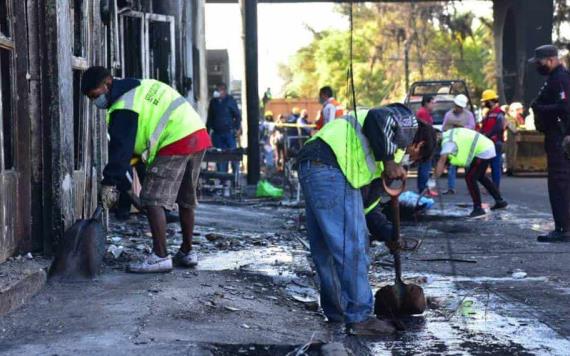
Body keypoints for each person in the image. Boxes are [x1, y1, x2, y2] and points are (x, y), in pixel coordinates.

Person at [296, 104, 430, 335]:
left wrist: (390, 234)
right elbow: (380, 116)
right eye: (416, 157)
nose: (409, 160)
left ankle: (338, 312)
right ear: (419, 145)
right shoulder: (407, 127)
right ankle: (359, 316)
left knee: (326, 248)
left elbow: (367, 207)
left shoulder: (383, 148)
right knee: (353, 247)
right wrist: (389, 160)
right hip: (331, 166)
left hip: (314, 164)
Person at [81, 66, 211, 272]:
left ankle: (160, 256)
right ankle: (187, 252)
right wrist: (123, 181)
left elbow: (121, 152)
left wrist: (109, 182)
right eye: (90, 98)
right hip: (196, 133)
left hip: (175, 139)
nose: (95, 102)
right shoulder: (139, 86)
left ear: (107, 84)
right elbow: (132, 152)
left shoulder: (123, 107)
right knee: (185, 198)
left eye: (95, 96)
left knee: (151, 199)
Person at [529, 45, 570, 242]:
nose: (538, 65)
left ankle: (563, 229)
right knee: (560, 183)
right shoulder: (554, 78)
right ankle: (562, 226)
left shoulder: (561, 78)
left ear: (551, 60)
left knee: (559, 183)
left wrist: (540, 108)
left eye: (540, 62)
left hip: (559, 137)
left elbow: (565, 107)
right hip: (555, 136)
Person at [433, 128, 508, 217]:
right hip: (486, 146)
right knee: (480, 176)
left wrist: (432, 181)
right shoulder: (449, 133)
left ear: (437, 136)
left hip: (483, 150)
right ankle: (500, 201)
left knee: (470, 177)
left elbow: (442, 161)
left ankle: (478, 208)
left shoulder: (447, 142)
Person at [441, 94, 476, 194]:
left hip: (465, 144)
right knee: (452, 166)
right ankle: (451, 188)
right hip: (453, 143)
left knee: (467, 167)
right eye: (457, 106)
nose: (458, 108)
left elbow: (472, 127)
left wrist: (462, 127)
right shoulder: (448, 115)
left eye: (460, 107)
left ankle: (472, 187)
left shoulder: (469, 115)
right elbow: (444, 128)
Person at [206, 83, 241, 173]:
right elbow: (210, 118)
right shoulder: (213, 102)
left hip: (229, 133)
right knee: (220, 158)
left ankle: (235, 179)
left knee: (233, 156)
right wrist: (206, 133)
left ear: (224, 91)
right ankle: (223, 179)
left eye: (219, 90)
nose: (217, 92)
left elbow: (237, 115)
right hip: (217, 134)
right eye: (217, 90)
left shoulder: (230, 100)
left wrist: (237, 128)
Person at [478, 90, 505, 188]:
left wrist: (487, 135)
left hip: (495, 142)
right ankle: (491, 186)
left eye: (485, 101)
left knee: (495, 165)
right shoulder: (490, 113)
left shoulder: (499, 113)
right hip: (487, 142)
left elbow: (499, 127)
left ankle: (495, 187)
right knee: (486, 165)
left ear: (490, 101)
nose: (484, 104)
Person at [415, 95, 437, 196]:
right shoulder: (422, 113)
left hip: (428, 144)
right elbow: (424, 130)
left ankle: (425, 189)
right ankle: (423, 189)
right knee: (424, 168)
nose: (434, 105)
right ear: (427, 103)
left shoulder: (426, 113)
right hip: (425, 146)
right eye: (433, 103)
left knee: (426, 168)